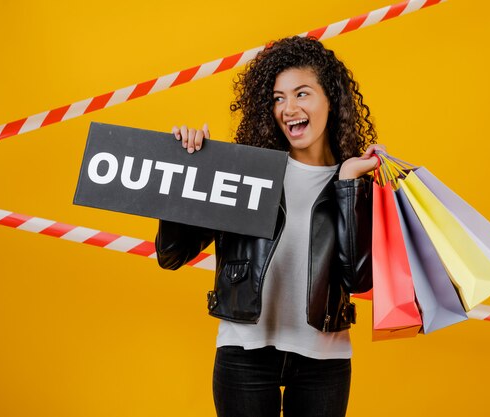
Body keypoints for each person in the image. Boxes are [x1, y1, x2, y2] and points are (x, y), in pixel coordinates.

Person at [155, 36, 383, 417]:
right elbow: (171, 254)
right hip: (245, 353)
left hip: (323, 361)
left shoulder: (355, 180)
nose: (289, 108)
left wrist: (347, 185)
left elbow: (359, 279)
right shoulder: (245, 172)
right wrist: (187, 177)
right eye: (278, 98)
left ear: (331, 98)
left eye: (302, 94)